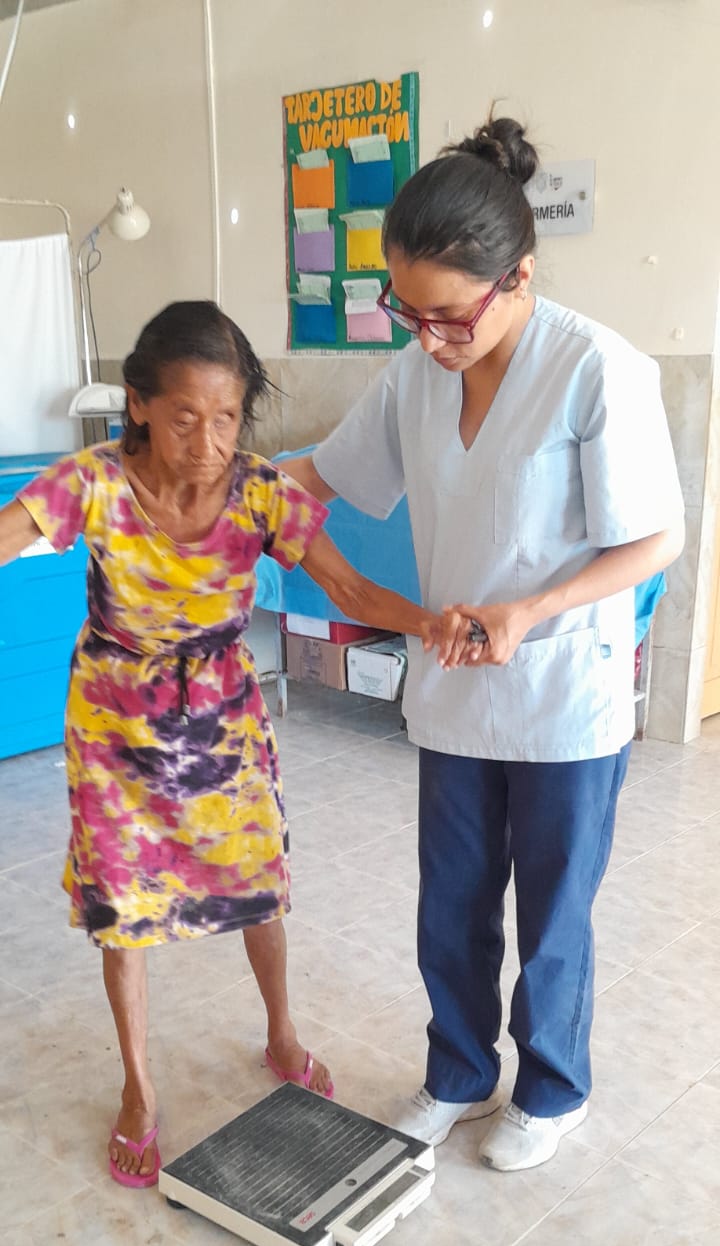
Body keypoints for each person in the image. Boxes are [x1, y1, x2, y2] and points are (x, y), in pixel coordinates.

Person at [287, 113, 685, 1172]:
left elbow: (658, 538)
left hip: (563, 692)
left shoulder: (596, 367)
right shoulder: (416, 372)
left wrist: (532, 610)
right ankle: (460, 1074)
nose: (430, 338)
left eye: (450, 316)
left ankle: (553, 1089)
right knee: (454, 902)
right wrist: (199, 485)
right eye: (407, 312)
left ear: (519, 278)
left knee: (553, 913)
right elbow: (322, 475)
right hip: (456, 690)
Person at [0, 300, 446, 1187]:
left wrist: (432, 625)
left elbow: (349, 588)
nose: (207, 443)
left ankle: (281, 1031)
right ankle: (138, 1088)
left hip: (222, 719)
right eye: (183, 418)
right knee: (121, 905)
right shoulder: (91, 481)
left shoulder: (260, 492)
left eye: (227, 418)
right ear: (138, 404)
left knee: (257, 883)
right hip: (116, 726)